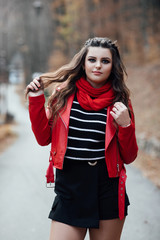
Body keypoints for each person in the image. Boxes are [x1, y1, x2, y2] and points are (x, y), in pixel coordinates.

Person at [26, 37, 138, 240]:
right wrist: (36, 100)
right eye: (92, 59)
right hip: (69, 186)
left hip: (107, 188)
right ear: (83, 63)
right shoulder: (63, 95)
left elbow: (129, 156)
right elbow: (43, 138)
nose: (98, 65)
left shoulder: (120, 102)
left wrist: (126, 125)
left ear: (113, 66)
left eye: (105, 61)